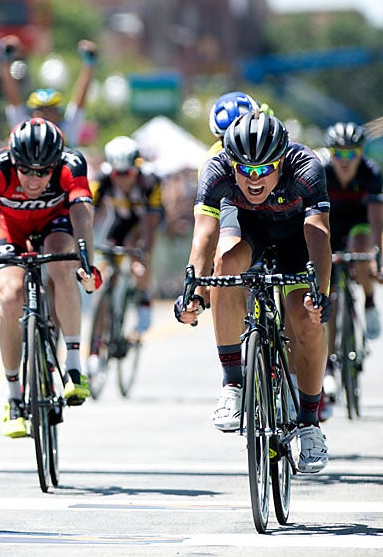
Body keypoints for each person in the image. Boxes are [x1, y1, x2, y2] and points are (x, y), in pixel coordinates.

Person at [174, 111, 331, 473]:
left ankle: (309, 424)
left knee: (303, 317)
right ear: (231, 163)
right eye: (244, 169)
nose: (254, 178)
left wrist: (318, 293)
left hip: (297, 236)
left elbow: (319, 236)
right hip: (249, 229)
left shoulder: (305, 166)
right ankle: (233, 382)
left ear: (281, 161)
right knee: (225, 267)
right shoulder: (216, 171)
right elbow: (204, 236)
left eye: (264, 169)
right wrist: (193, 291)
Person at [0, 118, 102, 439]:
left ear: (56, 165)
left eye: (43, 171)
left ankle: (73, 367)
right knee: (11, 296)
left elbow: (82, 218)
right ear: (13, 161)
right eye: (26, 170)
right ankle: (13, 397)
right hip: (10, 230)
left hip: (56, 225)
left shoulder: (72, 163)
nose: (34, 178)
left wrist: (87, 265)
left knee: (62, 266)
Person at [320, 122, 382, 409]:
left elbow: (376, 220)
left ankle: (369, 302)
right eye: (339, 154)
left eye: (351, 155)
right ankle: (330, 363)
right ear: (331, 154)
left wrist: (377, 256)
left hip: (359, 225)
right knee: (328, 296)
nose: (344, 162)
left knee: (361, 248)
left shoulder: (371, 174)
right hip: (330, 227)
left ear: (360, 154)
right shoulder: (322, 172)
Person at [91, 135, 163, 336]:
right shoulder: (101, 179)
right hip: (120, 221)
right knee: (104, 277)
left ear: (136, 168)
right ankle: (96, 347)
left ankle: (144, 298)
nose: (123, 179)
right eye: (117, 174)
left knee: (138, 257)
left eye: (128, 173)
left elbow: (150, 226)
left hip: (145, 221)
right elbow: (88, 216)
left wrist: (143, 256)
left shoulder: (149, 181)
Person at [0, 34, 97, 144]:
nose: (45, 115)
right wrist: (5, 61)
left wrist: (89, 63)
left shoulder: (68, 129)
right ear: (31, 113)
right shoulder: (23, 128)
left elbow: (80, 99)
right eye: (40, 110)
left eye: (51, 110)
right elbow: (13, 97)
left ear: (59, 114)